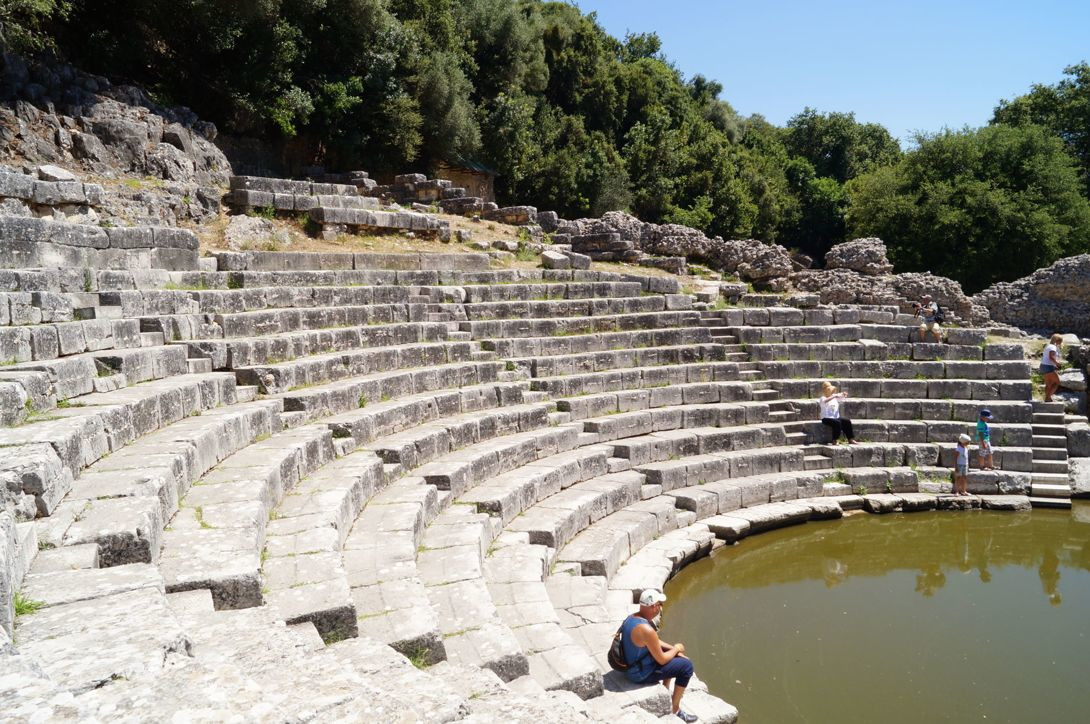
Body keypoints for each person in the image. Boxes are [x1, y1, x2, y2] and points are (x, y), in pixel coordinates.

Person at [620, 589, 699, 722]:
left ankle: (665, 689)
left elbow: (654, 641)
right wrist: (677, 648)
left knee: (674, 655)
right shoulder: (646, 629)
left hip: (631, 666)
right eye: (660, 605)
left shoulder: (632, 618)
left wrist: (674, 650)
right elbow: (662, 660)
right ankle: (675, 709)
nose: (660, 608)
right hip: (638, 674)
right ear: (653, 606)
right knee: (687, 666)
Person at [1040, 334, 1064, 403]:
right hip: (1048, 367)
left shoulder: (1048, 346)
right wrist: (1058, 364)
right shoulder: (1053, 347)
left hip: (1043, 366)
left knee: (1048, 384)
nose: (1061, 343)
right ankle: (1048, 397)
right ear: (1057, 341)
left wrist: (1054, 365)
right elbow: (1051, 357)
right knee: (1057, 382)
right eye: (1060, 341)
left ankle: (1047, 399)